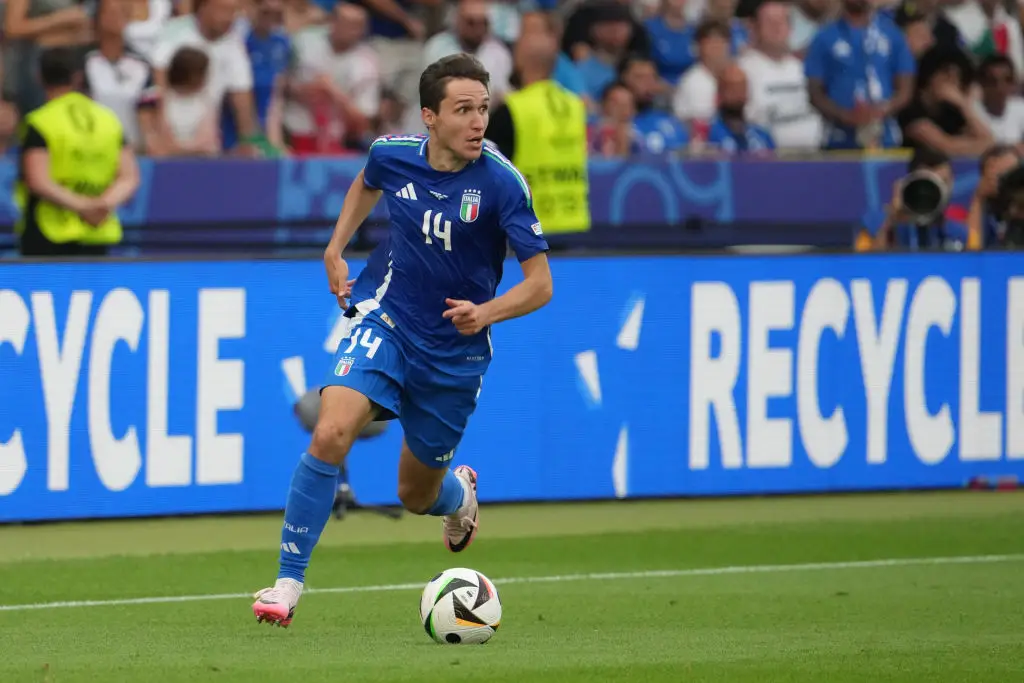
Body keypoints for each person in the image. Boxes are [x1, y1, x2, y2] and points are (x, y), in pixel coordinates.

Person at [251, 53, 554, 627]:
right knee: (332, 428)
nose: (477, 123)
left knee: (416, 494)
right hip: (388, 322)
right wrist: (336, 247)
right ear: (430, 117)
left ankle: (458, 497)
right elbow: (367, 184)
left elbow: (541, 286)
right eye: (463, 110)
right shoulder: (392, 155)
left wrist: (485, 311)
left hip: (456, 355)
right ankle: (287, 583)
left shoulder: (501, 182)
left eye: (483, 109)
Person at [13, 47, 139, 257]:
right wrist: (101, 205)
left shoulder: (41, 121)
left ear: (38, 77)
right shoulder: (108, 120)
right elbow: (129, 177)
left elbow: (37, 180)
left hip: (48, 234)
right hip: (97, 228)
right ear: (78, 77)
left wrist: (83, 206)